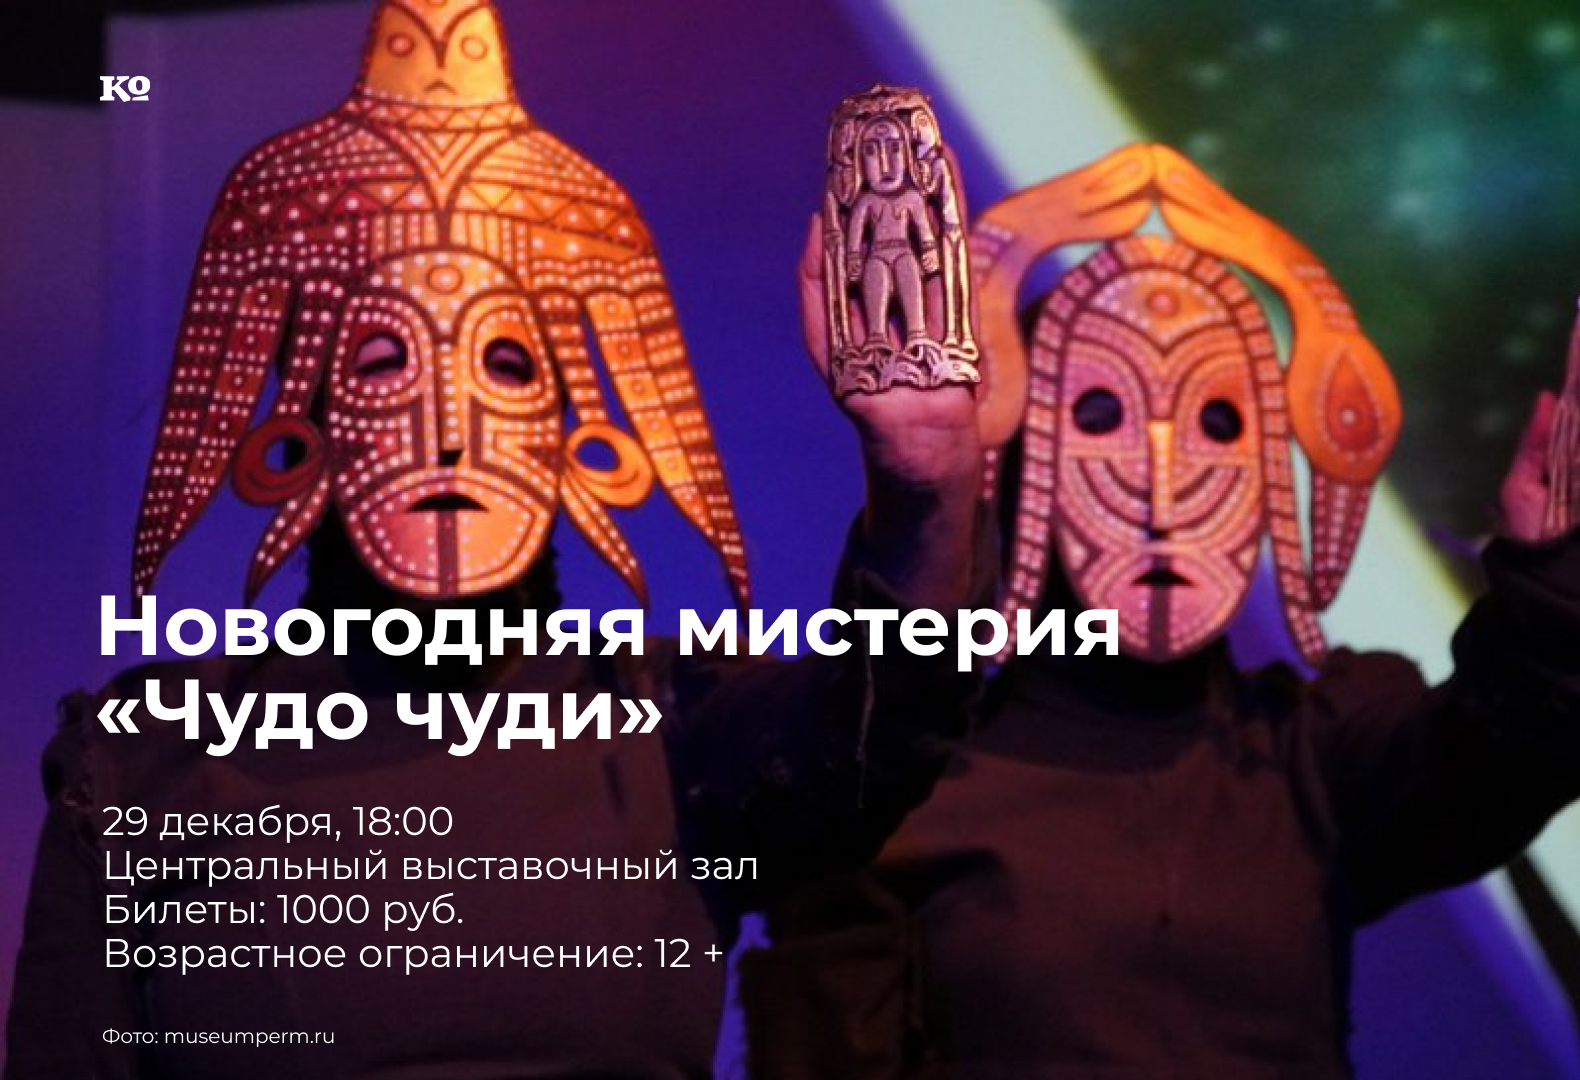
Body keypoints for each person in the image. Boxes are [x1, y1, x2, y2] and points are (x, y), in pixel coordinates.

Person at [4, 3, 986, 1078]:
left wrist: (925, 481)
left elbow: (877, 732)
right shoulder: (148, 759)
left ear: (574, 440)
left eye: (505, 366)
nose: (449, 428)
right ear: (305, 432)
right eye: (384, 361)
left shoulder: (674, 730)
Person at [731, 143, 1580, 1080]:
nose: (1163, 486)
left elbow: (1511, 754)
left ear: (1272, 473)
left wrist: (1576, 594)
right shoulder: (902, 782)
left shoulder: (1311, 753)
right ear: (1018, 461)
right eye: (1101, 416)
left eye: (1217, 423)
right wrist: (919, 495)